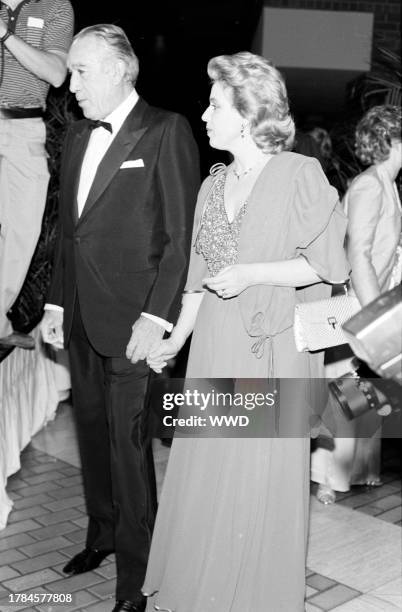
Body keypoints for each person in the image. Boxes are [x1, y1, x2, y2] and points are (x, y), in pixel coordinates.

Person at [142, 52, 349, 612]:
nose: (205, 115)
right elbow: (197, 279)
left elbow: (329, 266)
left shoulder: (299, 174)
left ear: (248, 112)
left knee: (259, 479)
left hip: (272, 350)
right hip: (214, 346)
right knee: (210, 473)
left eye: (215, 105)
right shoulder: (213, 185)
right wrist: (176, 340)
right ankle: (202, 591)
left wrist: (254, 274)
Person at [40, 24, 199, 612]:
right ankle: (102, 536)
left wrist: (157, 319)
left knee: (131, 451)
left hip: (135, 325)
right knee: (94, 438)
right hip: (80, 316)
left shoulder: (165, 130)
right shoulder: (78, 135)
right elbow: (68, 231)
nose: (70, 84)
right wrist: (57, 303)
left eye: (79, 71)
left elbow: (180, 241)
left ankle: (138, 577)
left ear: (115, 69)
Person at [311, 104, 402, 504]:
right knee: (346, 393)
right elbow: (358, 254)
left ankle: (354, 471)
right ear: (394, 140)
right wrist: (375, 316)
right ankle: (326, 478)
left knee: (364, 393)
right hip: (354, 308)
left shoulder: (385, 183)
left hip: (370, 300)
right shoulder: (369, 185)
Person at [0, 0, 74, 350]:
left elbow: (57, 73)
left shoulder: (55, 7)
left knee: (22, 232)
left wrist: (5, 35)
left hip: (24, 126)